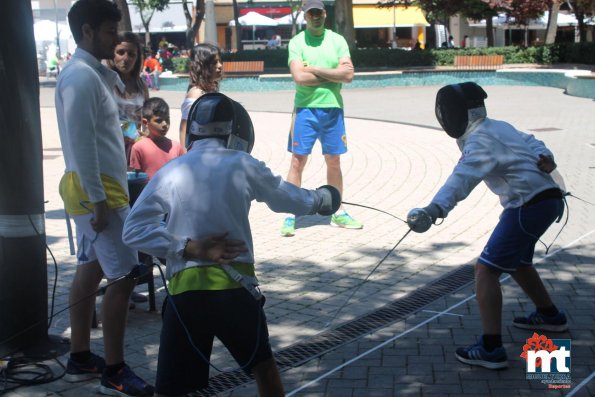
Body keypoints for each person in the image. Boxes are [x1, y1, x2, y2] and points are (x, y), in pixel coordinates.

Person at [122, 93, 341, 396]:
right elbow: (288, 197)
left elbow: (133, 230)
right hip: (234, 292)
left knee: (170, 390)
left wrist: (184, 246)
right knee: (264, 369)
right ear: (235, 130)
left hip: (185, 297)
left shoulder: (171, 171)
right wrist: (323, 199)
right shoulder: (243, 163)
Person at [408, 82, 567, 370]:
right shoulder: (498, 126)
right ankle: (550, 316)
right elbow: (533, 142)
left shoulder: (480, 141)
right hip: (548, 199)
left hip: (527, 206)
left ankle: (491, 348)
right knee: (518, 262)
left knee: (485, 270)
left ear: (457, 113)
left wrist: (433, 210)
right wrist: (548, 158)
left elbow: (462, 179)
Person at [55, 0, 154, 395]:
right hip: (101, 194)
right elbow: (81, 147)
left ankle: (80, 357)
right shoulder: (79, 78)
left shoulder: (92, 73)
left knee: (91, 268)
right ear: (88, 32)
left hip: (99, 190)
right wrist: (99, 201)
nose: (117, 42)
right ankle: (114, 370)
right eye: (111, 32)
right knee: (126, 273)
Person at [281, 0, 362, 237]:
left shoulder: (337, 41)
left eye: (318, 12)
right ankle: (289, 212)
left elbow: (348, 75)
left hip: (333, 109)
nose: (315, 16)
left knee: (334, 161)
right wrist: (333, 75)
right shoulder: (297, 43)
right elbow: (299, 77)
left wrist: (314, 69)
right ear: (304, 16)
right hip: (305, 109)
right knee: (297, 161)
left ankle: (337, 209)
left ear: (325, 14)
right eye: (310, 13)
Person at [106, 32, 149, 163]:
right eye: (121, 52)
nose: (126, 58)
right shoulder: (104, 83)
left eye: (131, 54)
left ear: (137, 59)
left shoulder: (141, 86)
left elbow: (147, 120)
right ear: (112, 53)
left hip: (135, 154)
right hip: (110, 153)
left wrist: (146, 134)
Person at [178, 43, 223, 148]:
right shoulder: (196, 94)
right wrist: (187, 158)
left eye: (220, 61)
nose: (220, 66)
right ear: (202, 66)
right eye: (214, 63)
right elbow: (184, 130)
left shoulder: (211, 91)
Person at [129, 97, 185, 179]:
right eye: (159, 121)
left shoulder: (177, 147)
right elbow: (137, 179)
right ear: (145, 122)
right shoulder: (138, 148)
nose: (165, 124)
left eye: (167, 119)